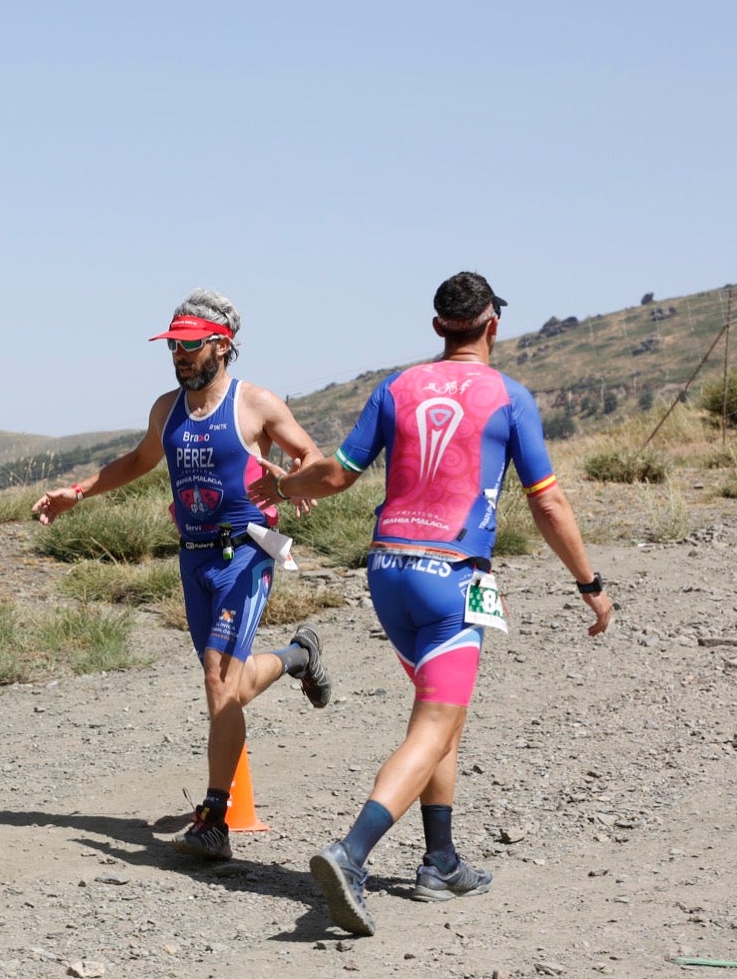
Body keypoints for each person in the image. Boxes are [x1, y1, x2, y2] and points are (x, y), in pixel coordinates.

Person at [249, 271, 613, 937]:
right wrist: (590, 585)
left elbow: (336, 474)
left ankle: (441, 861)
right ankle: (351, 854)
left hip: (387, 572)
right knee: (431, 728)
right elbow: (548, 501)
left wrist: (283, 487)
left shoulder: (397, 386)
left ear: (439, 326)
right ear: (493, 324)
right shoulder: (509, 397)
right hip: (454, 577)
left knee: (440, 717)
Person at [32, 289, 333, 862]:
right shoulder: (166, 408)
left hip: (244, 552)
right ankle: (297, 656)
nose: (179, 356)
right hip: (192, 556)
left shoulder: (256, 403)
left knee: (218, 685)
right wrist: (77, 493)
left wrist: (290, 483)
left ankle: (215, 817)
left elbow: (310, 457)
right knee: (232, 688)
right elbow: (140, 461)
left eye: (190, 346)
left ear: (222, 346)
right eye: (173, 346)